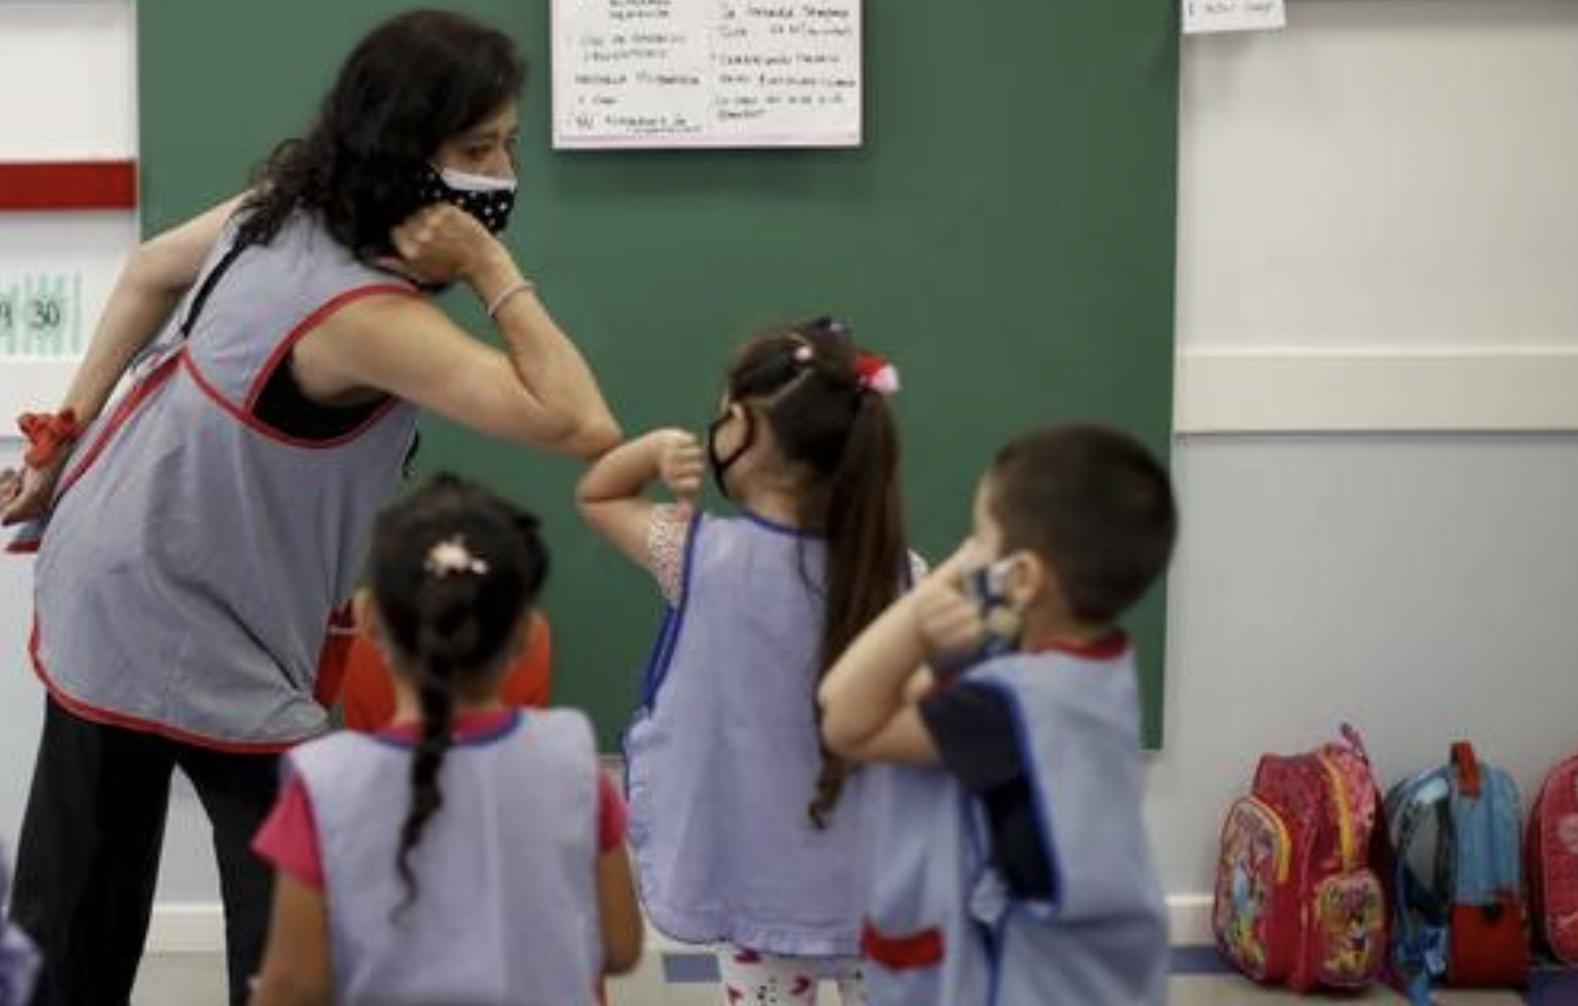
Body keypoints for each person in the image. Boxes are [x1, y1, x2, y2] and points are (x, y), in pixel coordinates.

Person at [0, 11, 618, 1004]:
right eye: (473, 149)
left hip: (122, 562)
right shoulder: (368, 319)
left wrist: (68, 430)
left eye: (508, 144)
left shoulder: (290, 204)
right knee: (286, 902)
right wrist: (494, 268)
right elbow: (579, 420)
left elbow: (153, 262)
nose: (501, 173)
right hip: (185, 614)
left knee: (89, 884)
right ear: (403, 149)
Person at [577, 317, 908, 1005]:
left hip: (756, 893)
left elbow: (598, 496)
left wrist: (650, 451)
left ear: (749, 435)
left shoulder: (697, 558)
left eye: (723, 414)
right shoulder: (903, 577)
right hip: (881, 895)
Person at [818, 424, 1177, 1005]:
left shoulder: (1008, 706)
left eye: (978, 540)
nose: (966, 556)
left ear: (1025, 578)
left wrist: (919, 609)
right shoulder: (1095, 668)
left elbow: (844, 716)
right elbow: (910, 693)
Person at [249, 474, 641, 1006]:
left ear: (368, 620)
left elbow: (292, 987)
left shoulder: (323, 787)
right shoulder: (572, 764)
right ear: (527, 632)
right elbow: (618, 948)